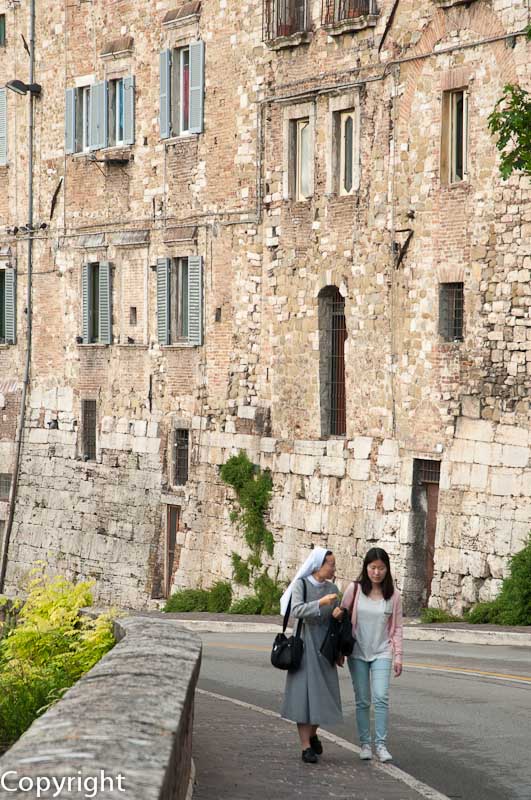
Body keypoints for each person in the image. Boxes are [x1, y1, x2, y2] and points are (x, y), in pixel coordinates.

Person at [280, 547, 344, 763]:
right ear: (318, 565)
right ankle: (305, 746)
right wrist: (321, 603)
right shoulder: (302, 585)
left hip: (325, 647)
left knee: (327, 696)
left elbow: (337, 621)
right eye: (331, 564)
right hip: (305, 646)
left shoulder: (333, 588)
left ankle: (313, 732)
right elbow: (296, 610)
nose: (334, 568)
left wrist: (336, 615)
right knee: (303, 697)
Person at [341, 547, 403, 763]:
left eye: (381, 568)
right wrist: (339, 650)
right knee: (363, 701)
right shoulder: (355, 590)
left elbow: (397, 629)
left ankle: (381, 745)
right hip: (357, 652)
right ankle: (365, 744)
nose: (376, 572)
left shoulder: (394, 596)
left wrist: (398, 656)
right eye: (373, 567)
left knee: (381, 698)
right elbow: (342, 617)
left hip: (382, 652)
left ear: (387, 569)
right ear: (366, 567)